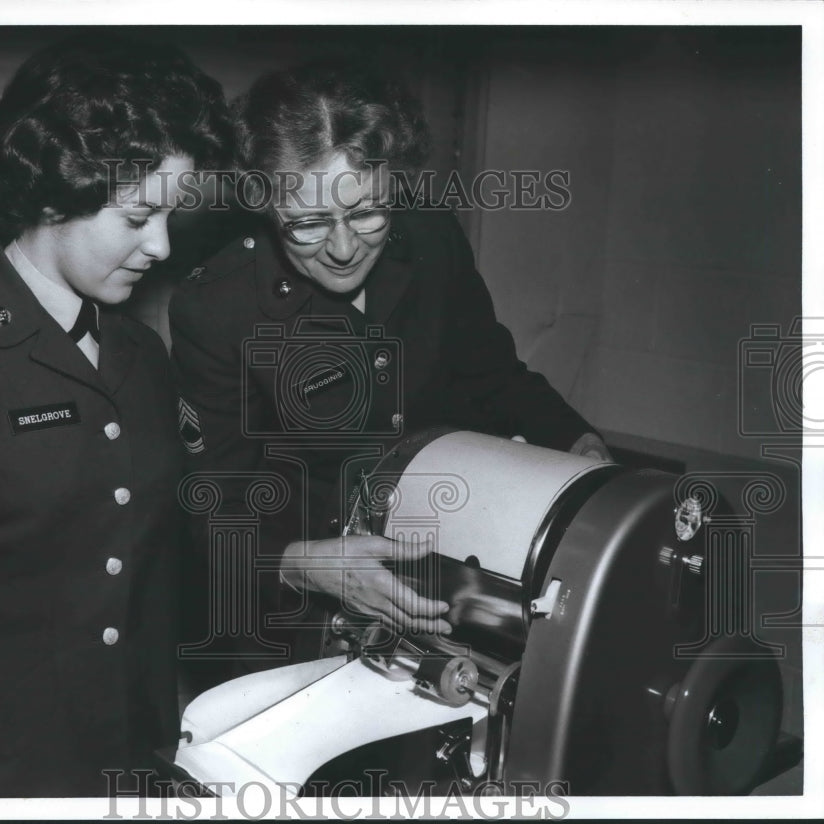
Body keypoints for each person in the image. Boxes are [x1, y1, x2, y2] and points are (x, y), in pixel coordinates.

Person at [0, 35, 231, 797]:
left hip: (127, 767)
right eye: (136, 218)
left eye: (172, 216)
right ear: (56, 195)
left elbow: (148, 585)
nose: (160, 245)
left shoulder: (140, 356)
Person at [169, 59, 610, 681]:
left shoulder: (433, 243)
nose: (344, 248)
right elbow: (211, 511)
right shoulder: (219, 307)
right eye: (308, 222)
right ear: (264, 202)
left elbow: (495, 377)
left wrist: (576, 443)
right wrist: (299, 563)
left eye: (368, 212)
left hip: (447, 583)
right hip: (296, 624)